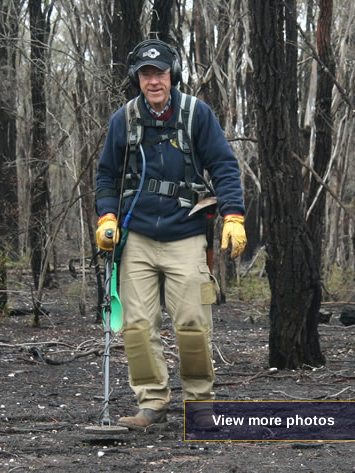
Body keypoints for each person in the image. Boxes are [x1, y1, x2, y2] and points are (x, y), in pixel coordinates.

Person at [94, 39, 247, 431]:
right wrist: (106, 217)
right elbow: (106, 175)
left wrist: (233, 216)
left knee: (193, 324)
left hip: (186, 234)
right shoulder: (123, 120)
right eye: (146, 75)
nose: (154, 82)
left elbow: (224, 166)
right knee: (138, 327)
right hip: (137, 237)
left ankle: (199, 405)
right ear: (137, 79)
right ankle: (151, 403)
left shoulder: (197, 114)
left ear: (172, 75)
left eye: (160, 73)